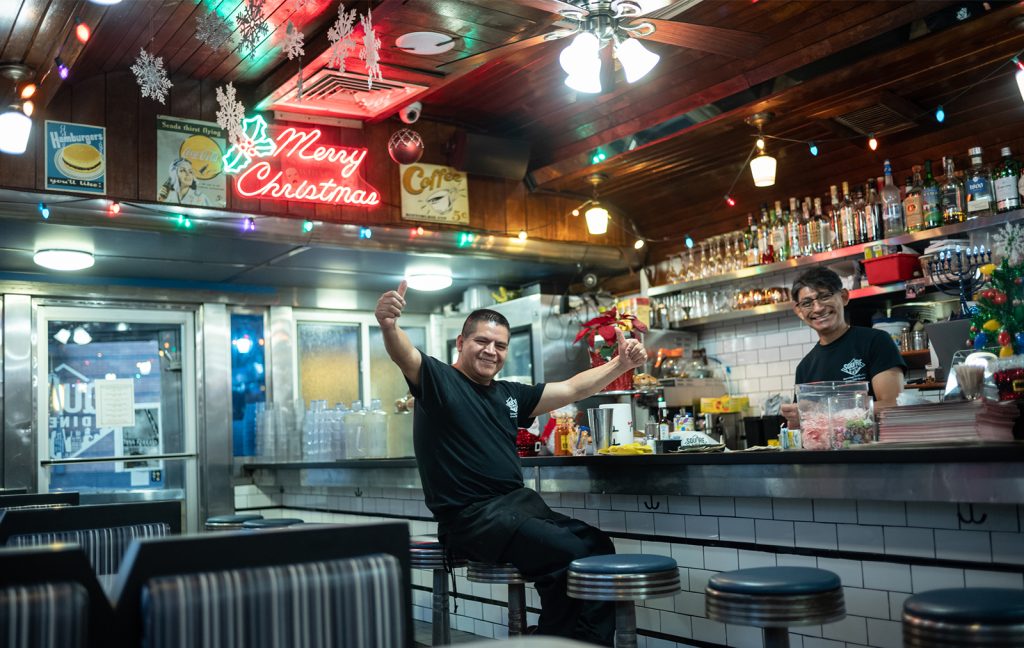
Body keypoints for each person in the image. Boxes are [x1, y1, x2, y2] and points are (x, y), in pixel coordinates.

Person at [375, 281, 646, 645]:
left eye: (500, 345)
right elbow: (405, 355)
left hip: (519, 508)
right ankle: (561, 641)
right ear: (461, 343)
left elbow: (573, 389)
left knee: (597, 545)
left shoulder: (510, 395)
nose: (491, 351)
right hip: (473, 518)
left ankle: (584, 642)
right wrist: (389, 326)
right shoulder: (440, 381)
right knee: (568, 553)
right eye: (481, 342)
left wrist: (620, 364)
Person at [780, 267, 905, 428]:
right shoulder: (804, 368)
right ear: (799, 311)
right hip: (825, 453)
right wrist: (795, 421)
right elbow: (803, 425)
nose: (817, 308)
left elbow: (893, 405)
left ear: (844, 297)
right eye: (807, 303)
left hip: (874, 450)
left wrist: (821, 412)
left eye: (825, 296)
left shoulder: (876, 341)